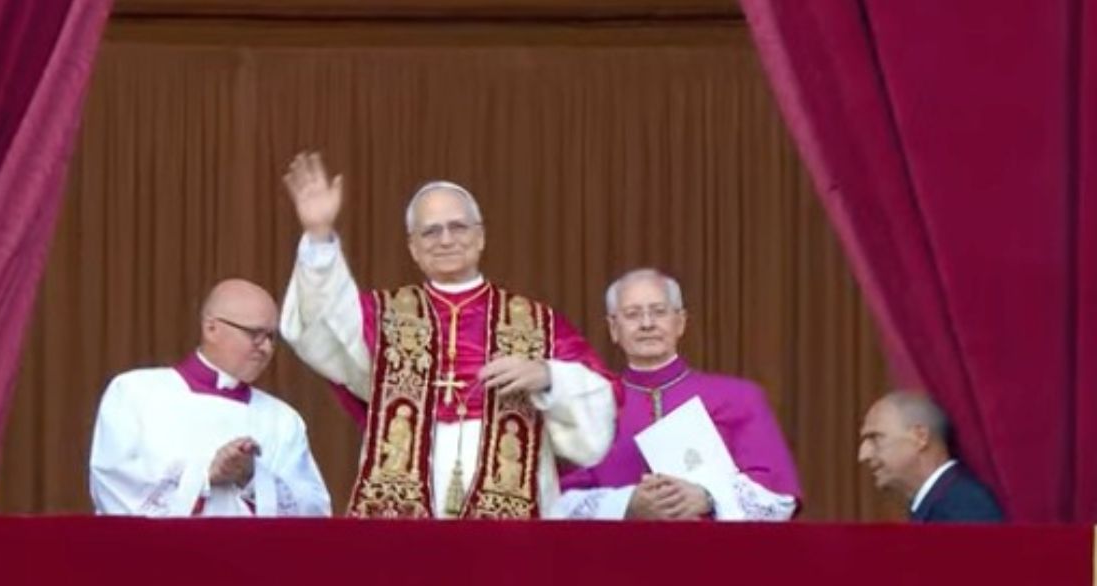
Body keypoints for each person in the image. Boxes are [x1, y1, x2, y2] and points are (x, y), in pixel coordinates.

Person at [279, 152, 616, 519]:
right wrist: (319, 235)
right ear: (413, 248)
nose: (445, 239)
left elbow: (601, 401)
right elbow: (321, 325)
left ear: (480, 237)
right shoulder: (383, 317)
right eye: (431, 231)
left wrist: (548, 376)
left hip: (513, 511)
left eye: (458, 227)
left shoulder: (538, 323)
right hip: (403, 510)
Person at [553, 268, 801, 520]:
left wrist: (708, 497)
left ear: (680, 322)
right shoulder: (591, 408)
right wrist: (626, 503)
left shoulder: (740, 398)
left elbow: (779, 498)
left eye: (659, 311)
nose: (647, 324)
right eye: (632, 314)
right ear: (614, 328)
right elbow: (556, 503)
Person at [89, 279, 330, 517]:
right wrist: (205, 475)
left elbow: (313, 512)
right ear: (211, 328)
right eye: (255, 334)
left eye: (271, 337)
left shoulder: (283, 420)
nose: (266, 348)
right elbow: (114, 486)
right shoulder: (134, 393)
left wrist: (252, 478)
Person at [858, 391, 1004, 523]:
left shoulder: (965, 507)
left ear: (920, 437)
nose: (863, 455)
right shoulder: (943, 502)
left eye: (875, 438)